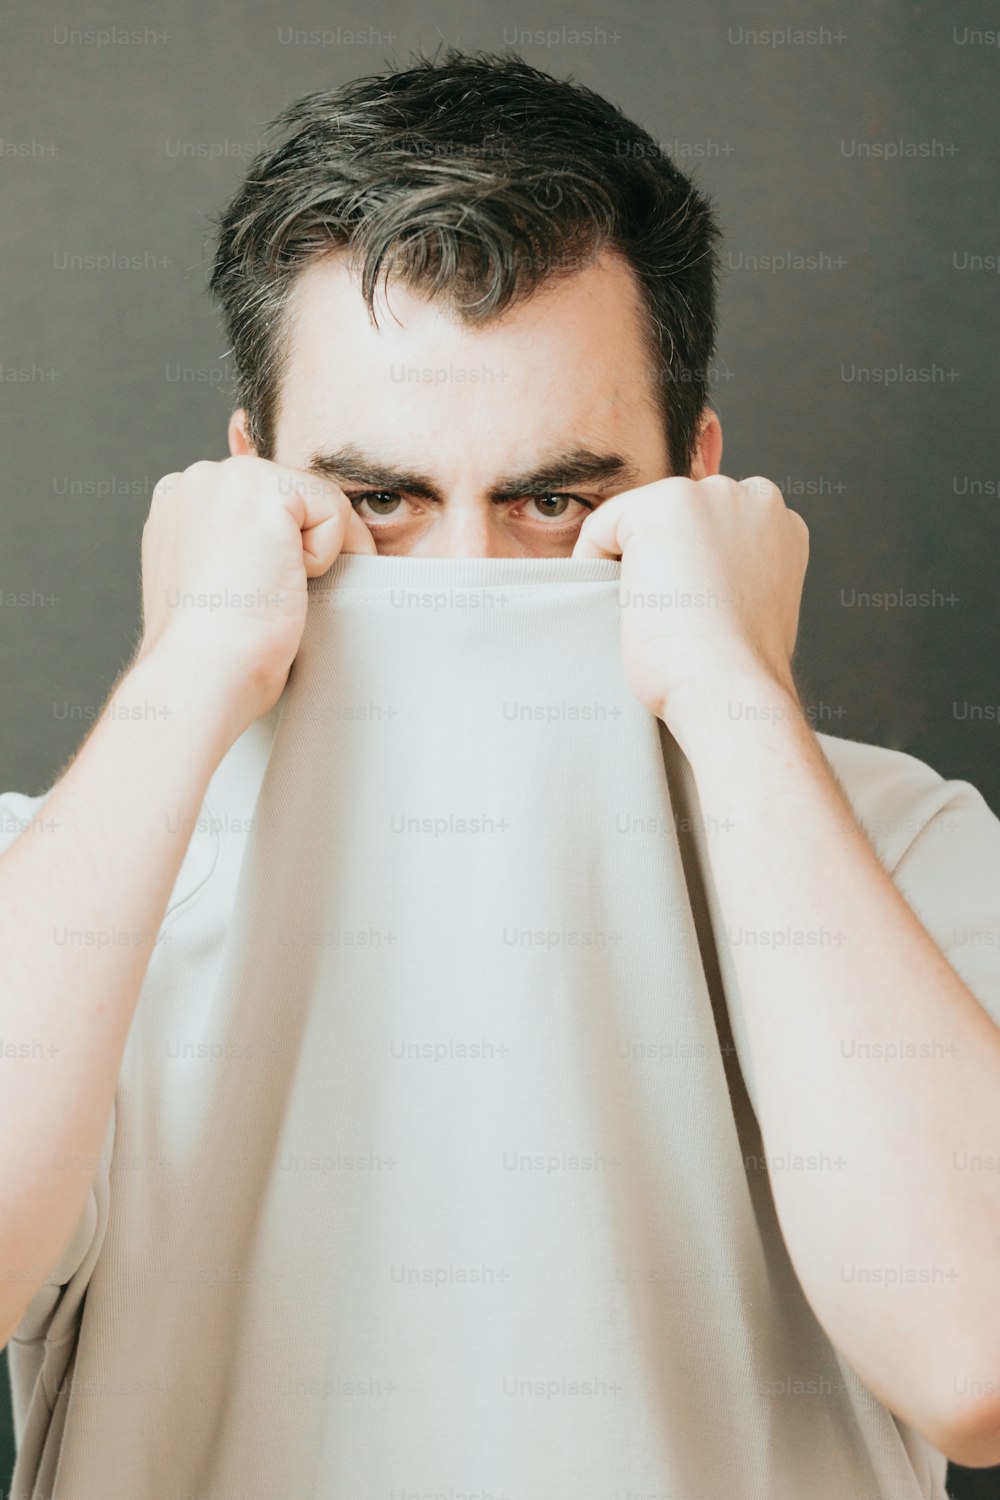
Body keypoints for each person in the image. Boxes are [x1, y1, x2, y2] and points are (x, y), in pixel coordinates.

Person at [2, 44, 999, 1494]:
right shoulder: (75, 867)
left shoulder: (901, 849)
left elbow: (980, 1359)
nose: (465, 576)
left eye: (554, 500)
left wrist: (735, 694)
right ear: (246, 484)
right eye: (379, 500)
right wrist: (182, 681)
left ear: (697, 485)